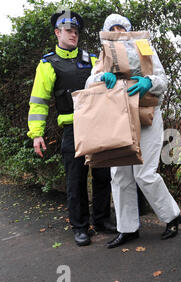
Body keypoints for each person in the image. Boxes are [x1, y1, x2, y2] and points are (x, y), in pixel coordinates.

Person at [89, 14, 181, 248]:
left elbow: (163, 79)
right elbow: (89, 84)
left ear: (129, 30)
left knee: (145, 173)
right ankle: (127, 229)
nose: (118, 32)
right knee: (120, 175)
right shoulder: (104, 54)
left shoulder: (144, 47)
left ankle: (172, 217)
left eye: (122, 27)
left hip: (146, 115)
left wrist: (148, 82)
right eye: (113, 29)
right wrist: (102, 76)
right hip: (118, 118)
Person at [27, 9, 116, 247]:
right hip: (72, 128)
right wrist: (36, 134)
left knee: (102, 175)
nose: (73, 34)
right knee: (75, 179)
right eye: (68, 30)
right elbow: (39, 102)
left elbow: (109, 79)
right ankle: (80, 227)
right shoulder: (48, 64)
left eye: (76, 31)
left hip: (96, 126)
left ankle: (102, 220)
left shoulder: (92, 59)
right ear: (57, 32)